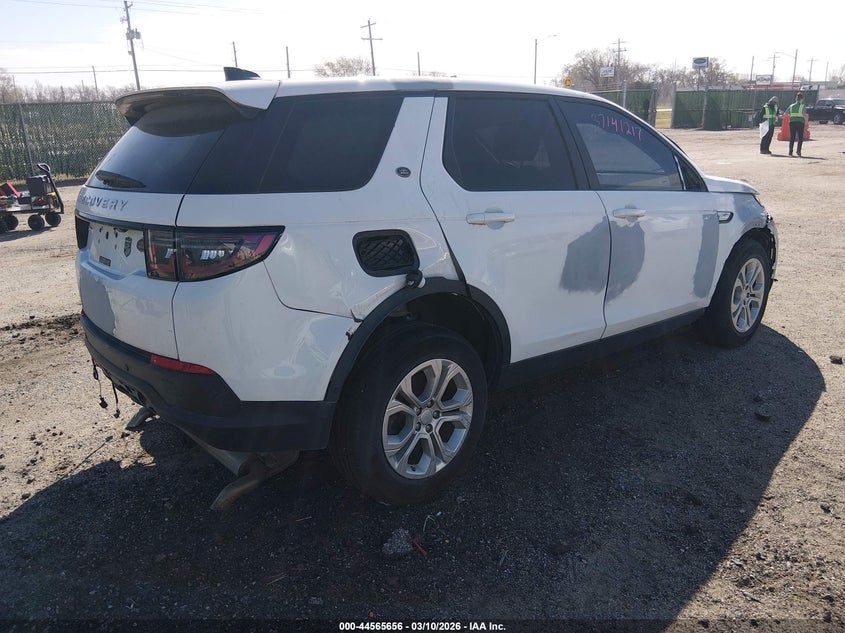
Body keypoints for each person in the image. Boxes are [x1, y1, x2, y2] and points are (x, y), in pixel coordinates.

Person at [786, 92, 809, 157]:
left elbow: (786, 113)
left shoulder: (791, 106)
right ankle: (798, 151)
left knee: (792, 137)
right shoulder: (802, 106)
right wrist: (806, 122)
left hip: (792, 122)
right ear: (802, 99)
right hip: (800, 122)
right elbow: (804, 115)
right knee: (800, 137)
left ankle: (790, 152)